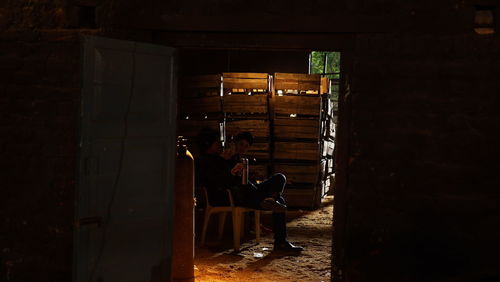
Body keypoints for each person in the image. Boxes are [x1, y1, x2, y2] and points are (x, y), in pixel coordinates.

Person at [195, 129, 303, 252]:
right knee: (279, 198)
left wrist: (232, 162)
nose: (220, 145)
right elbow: (217, 182)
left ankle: (270, 200)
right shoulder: (203, 162)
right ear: (207, 145)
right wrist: (231, 170)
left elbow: (237, 178)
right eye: (216, 143)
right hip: (234, 197)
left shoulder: (222, 158)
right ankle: (280, 241)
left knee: (279, 179)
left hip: (247, 194)